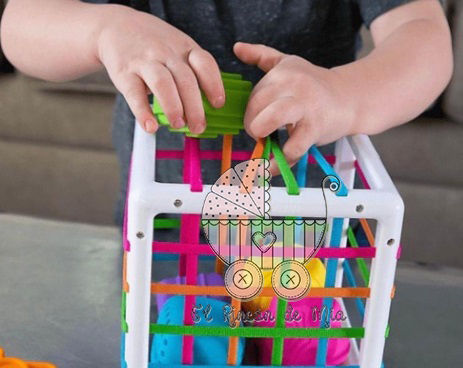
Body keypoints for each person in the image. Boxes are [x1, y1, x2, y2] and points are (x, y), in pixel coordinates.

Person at [0, 0, 453, 224]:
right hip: (166, 226)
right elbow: (21, 22)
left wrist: (344, 93)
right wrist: (101, 29)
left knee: (298, 360)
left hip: (306, 233)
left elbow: (423, 35)